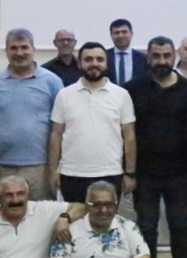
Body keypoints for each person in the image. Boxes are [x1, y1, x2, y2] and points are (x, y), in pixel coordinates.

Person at [125, 36, 187, 258]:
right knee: (146, 226)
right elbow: (126, 132)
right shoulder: (132, 90)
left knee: (179, 225)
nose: (161, 61)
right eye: (156, 56)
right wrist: (129, 171)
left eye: (166, 56)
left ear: (174, 56)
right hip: (144, 173)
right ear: (148, 57)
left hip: (179, 172)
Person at [48, 42, 137, 202]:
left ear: (106, 63)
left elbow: (129, 137)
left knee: (105, 218)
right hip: (71, 173)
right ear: (80, 63)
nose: (94, 63)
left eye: (99, 59)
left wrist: (130, 173)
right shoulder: (64, 95)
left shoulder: (122, 95)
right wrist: (53, 170)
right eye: (88, 59)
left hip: (111, 172)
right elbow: (56, 135)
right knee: (73, 217)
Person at [0, 29, 64, 201]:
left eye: (24, 47)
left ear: (33, 49)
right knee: (6, 213)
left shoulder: (52, 81)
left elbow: (59, 127)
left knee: (40, 213)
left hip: (40, 166)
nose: (19, 53)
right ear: (6, 51)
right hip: (3, 165)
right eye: (14, 48)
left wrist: (54, 168)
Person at [105, 18, 147, 86]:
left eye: (124, 32)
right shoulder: (104, 57)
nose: (120, 36)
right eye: (116, 33)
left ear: (131, 34)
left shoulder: (144, 59)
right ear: (111, 36)